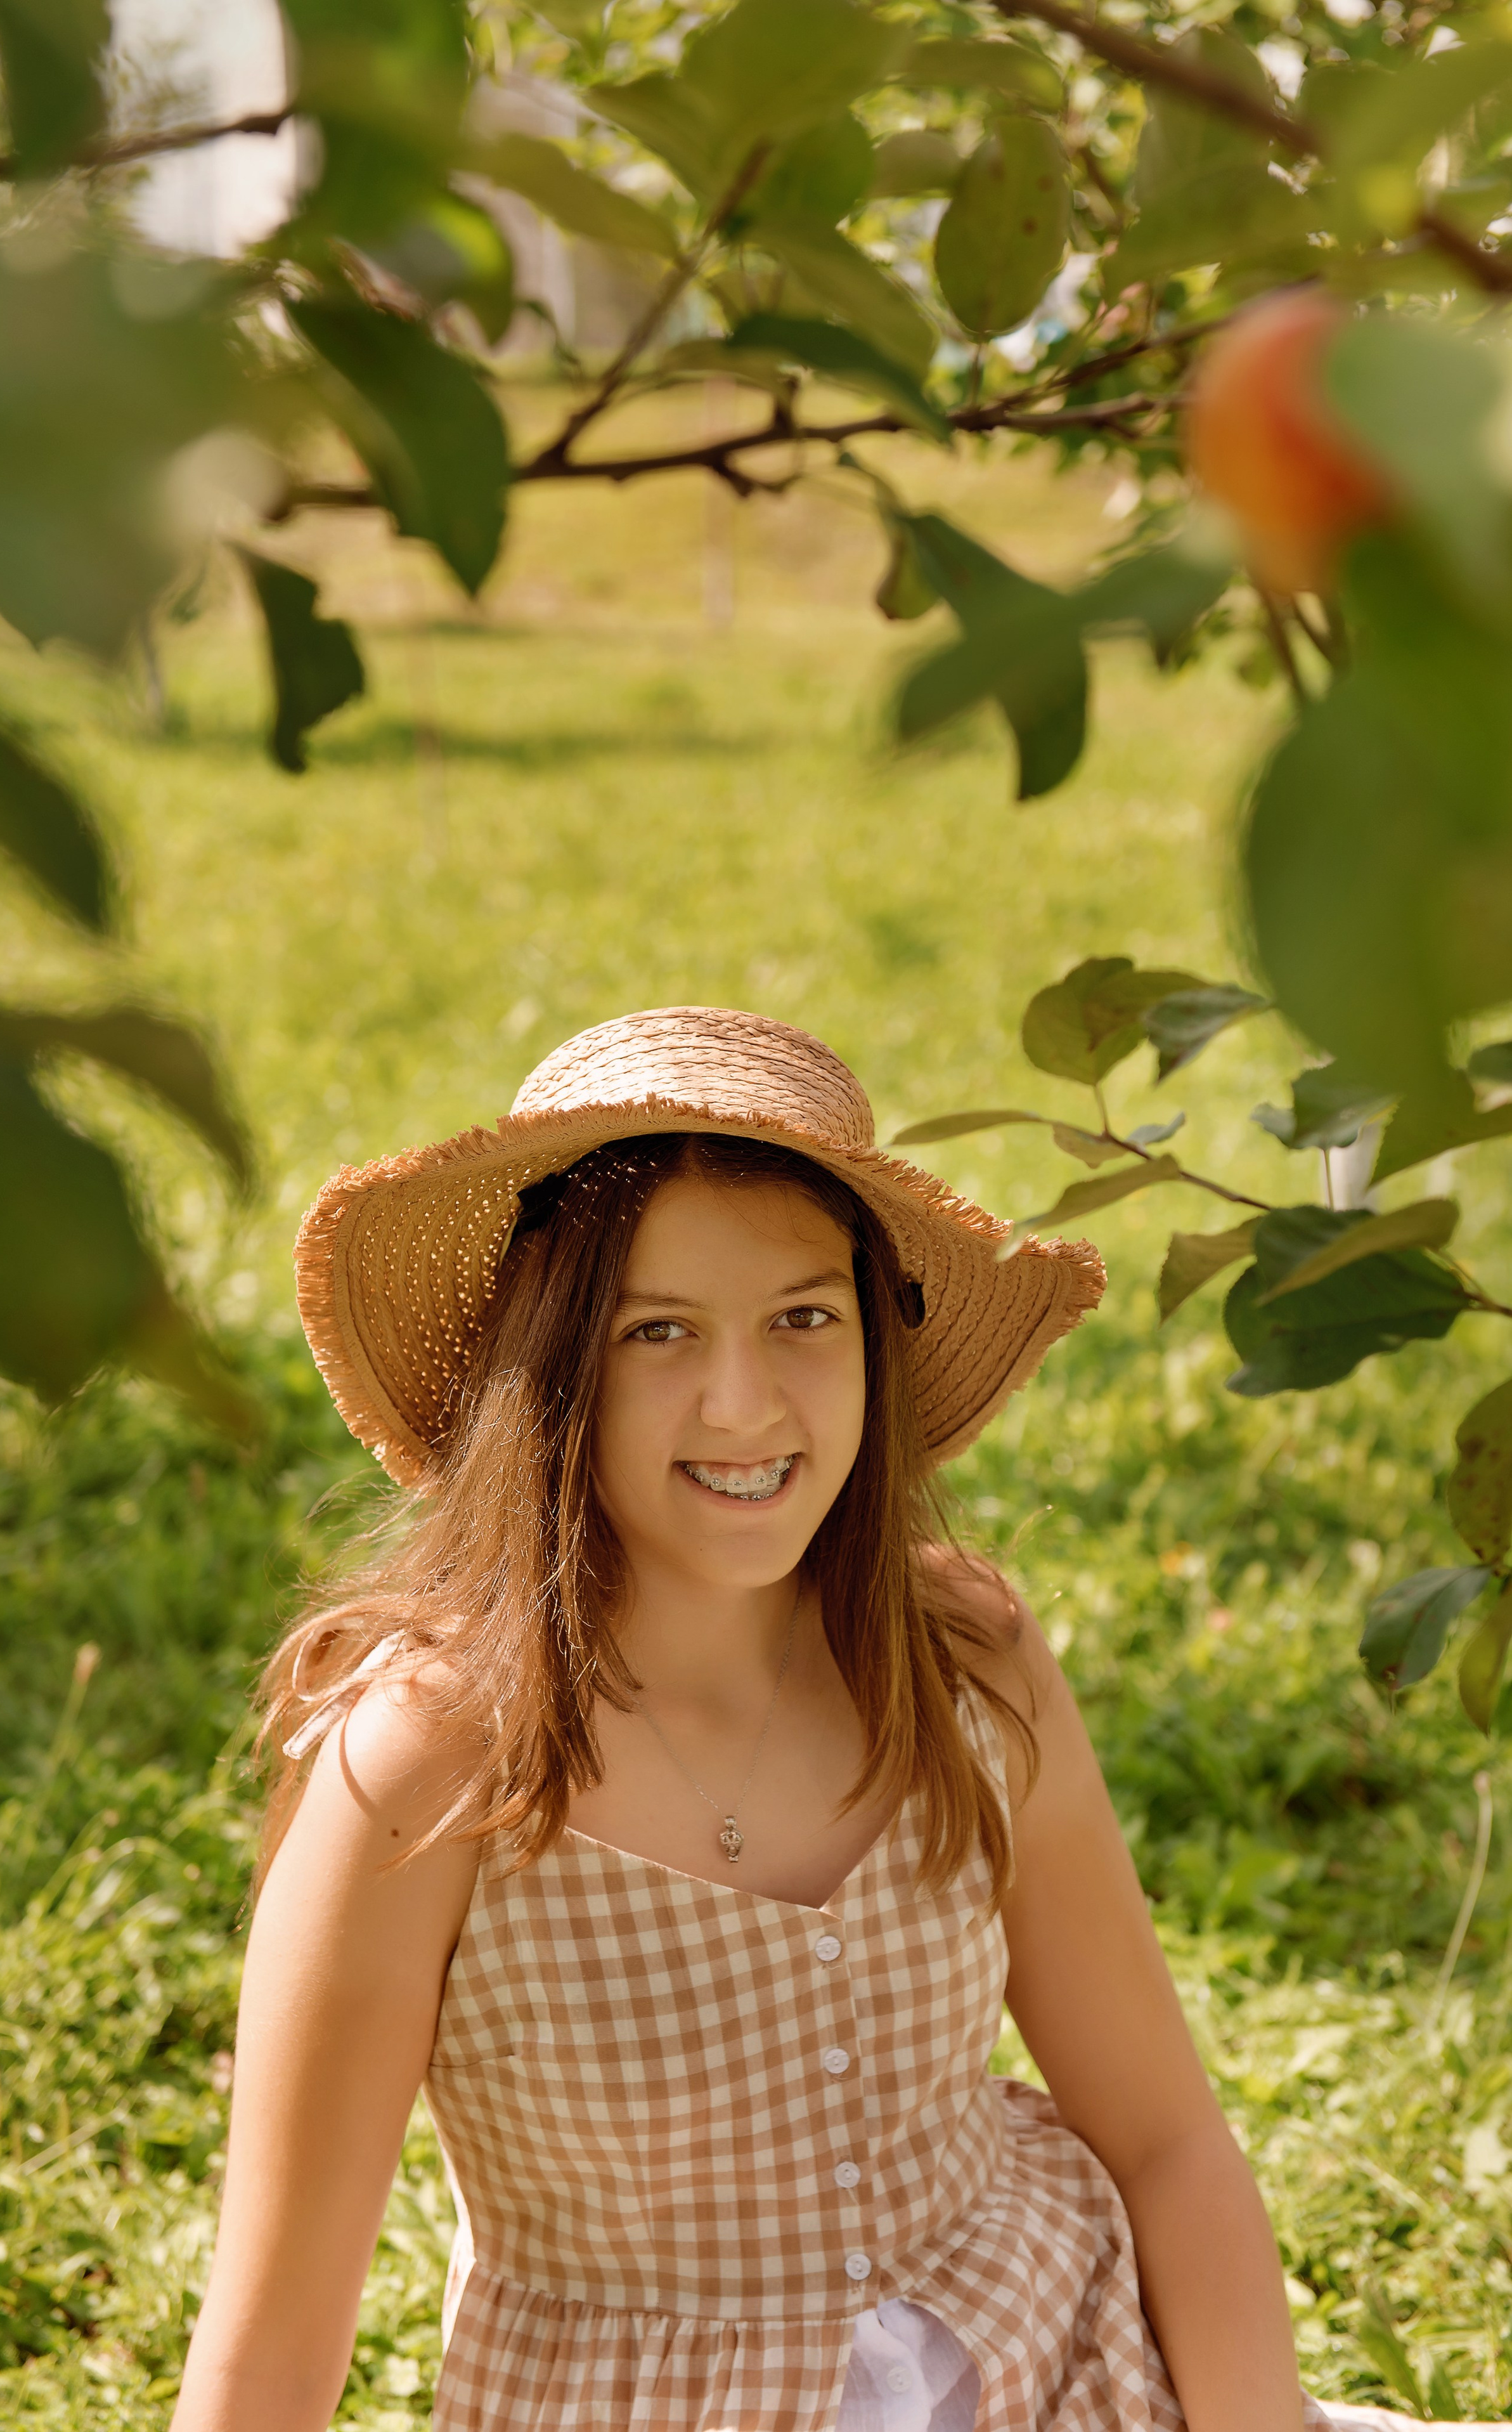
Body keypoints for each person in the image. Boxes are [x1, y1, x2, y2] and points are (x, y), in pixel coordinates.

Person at [172, 1007, 1478, 2432]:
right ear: (552, 1369)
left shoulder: (957, 1658)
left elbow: (1164, 2142)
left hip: (1072, 2376)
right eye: (657, 1332)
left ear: (874, 1342)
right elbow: (269, 2357)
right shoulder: (429, 1765)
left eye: (803, 1317)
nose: (742, 1404)